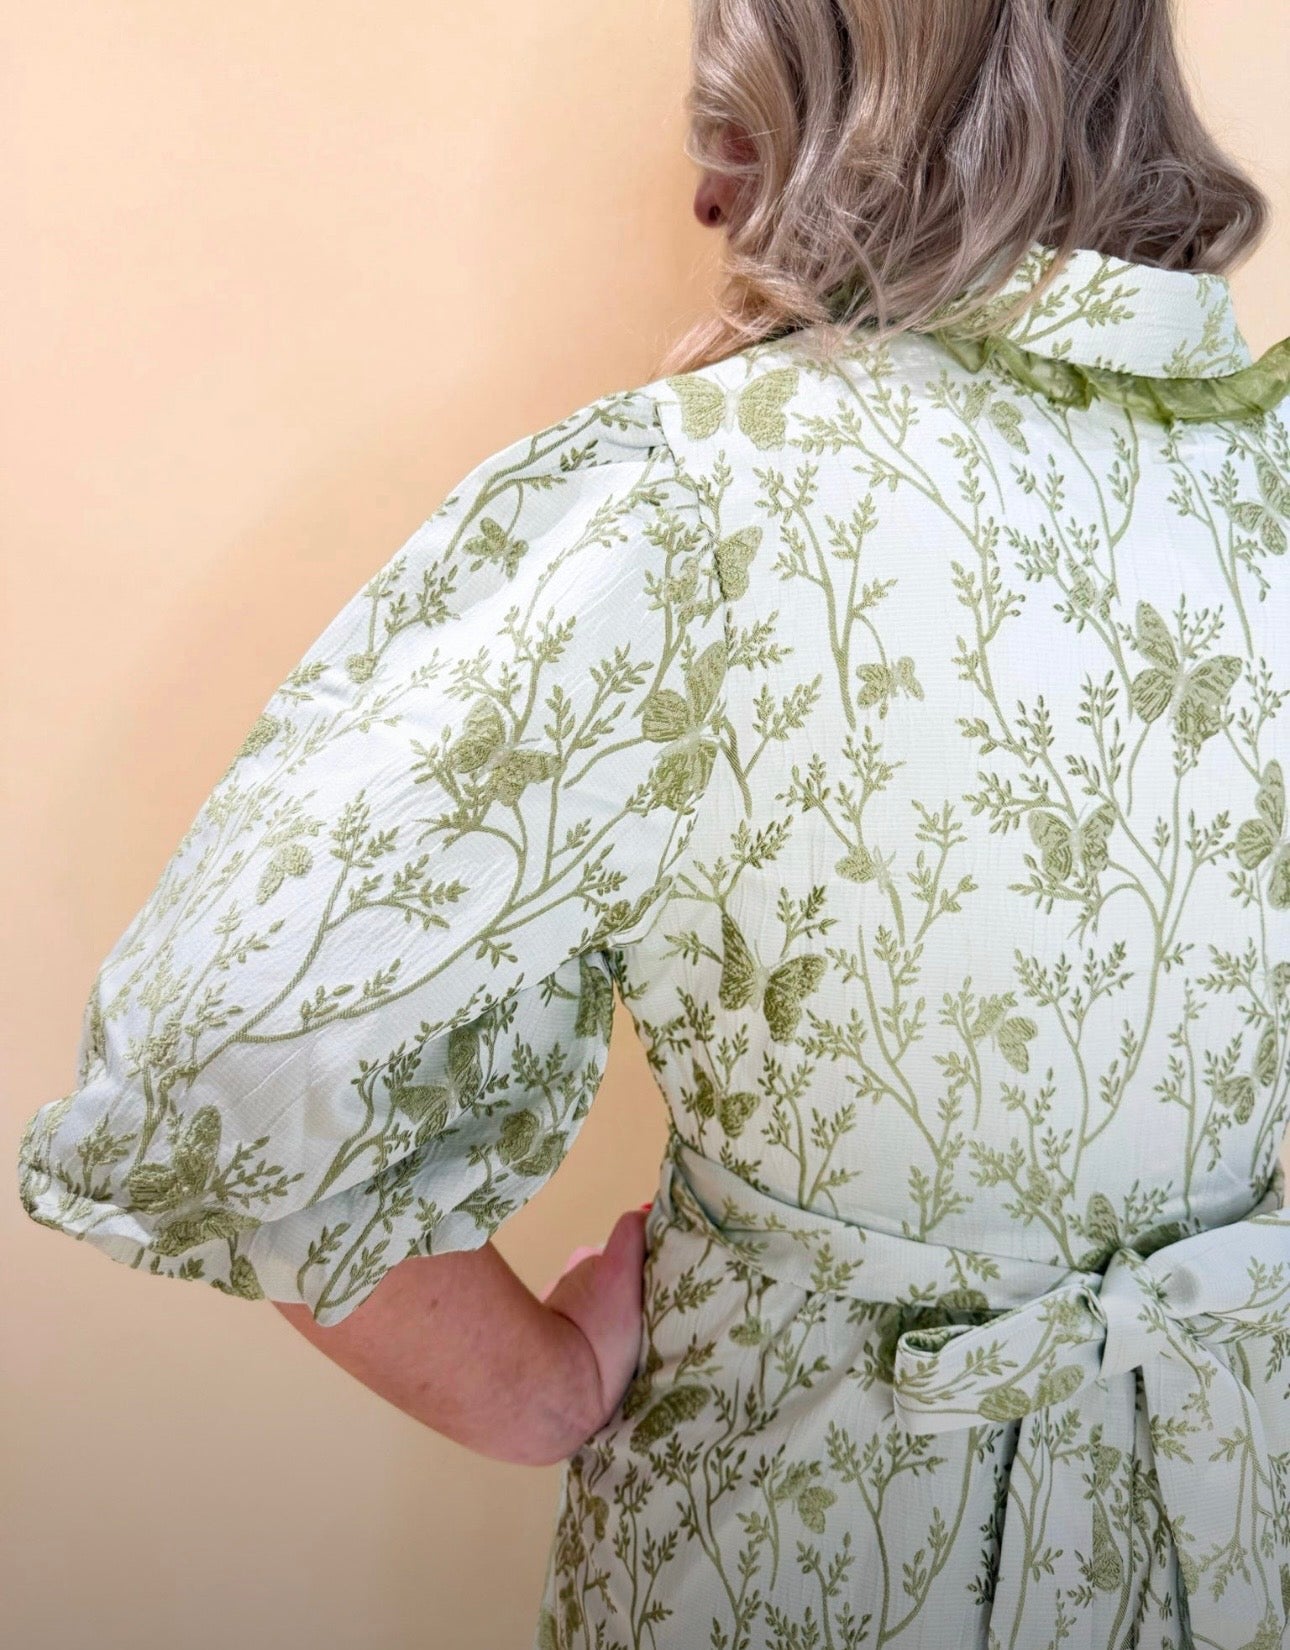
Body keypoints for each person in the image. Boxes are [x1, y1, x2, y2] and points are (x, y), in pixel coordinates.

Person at [16, 2, 1290, 1646]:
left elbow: (228, 1048)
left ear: (848, 105)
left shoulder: (695, 507)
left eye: (740, 106)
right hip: (1235, 1520)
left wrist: (535, 1391)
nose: (704, 195)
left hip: (803, 1550)